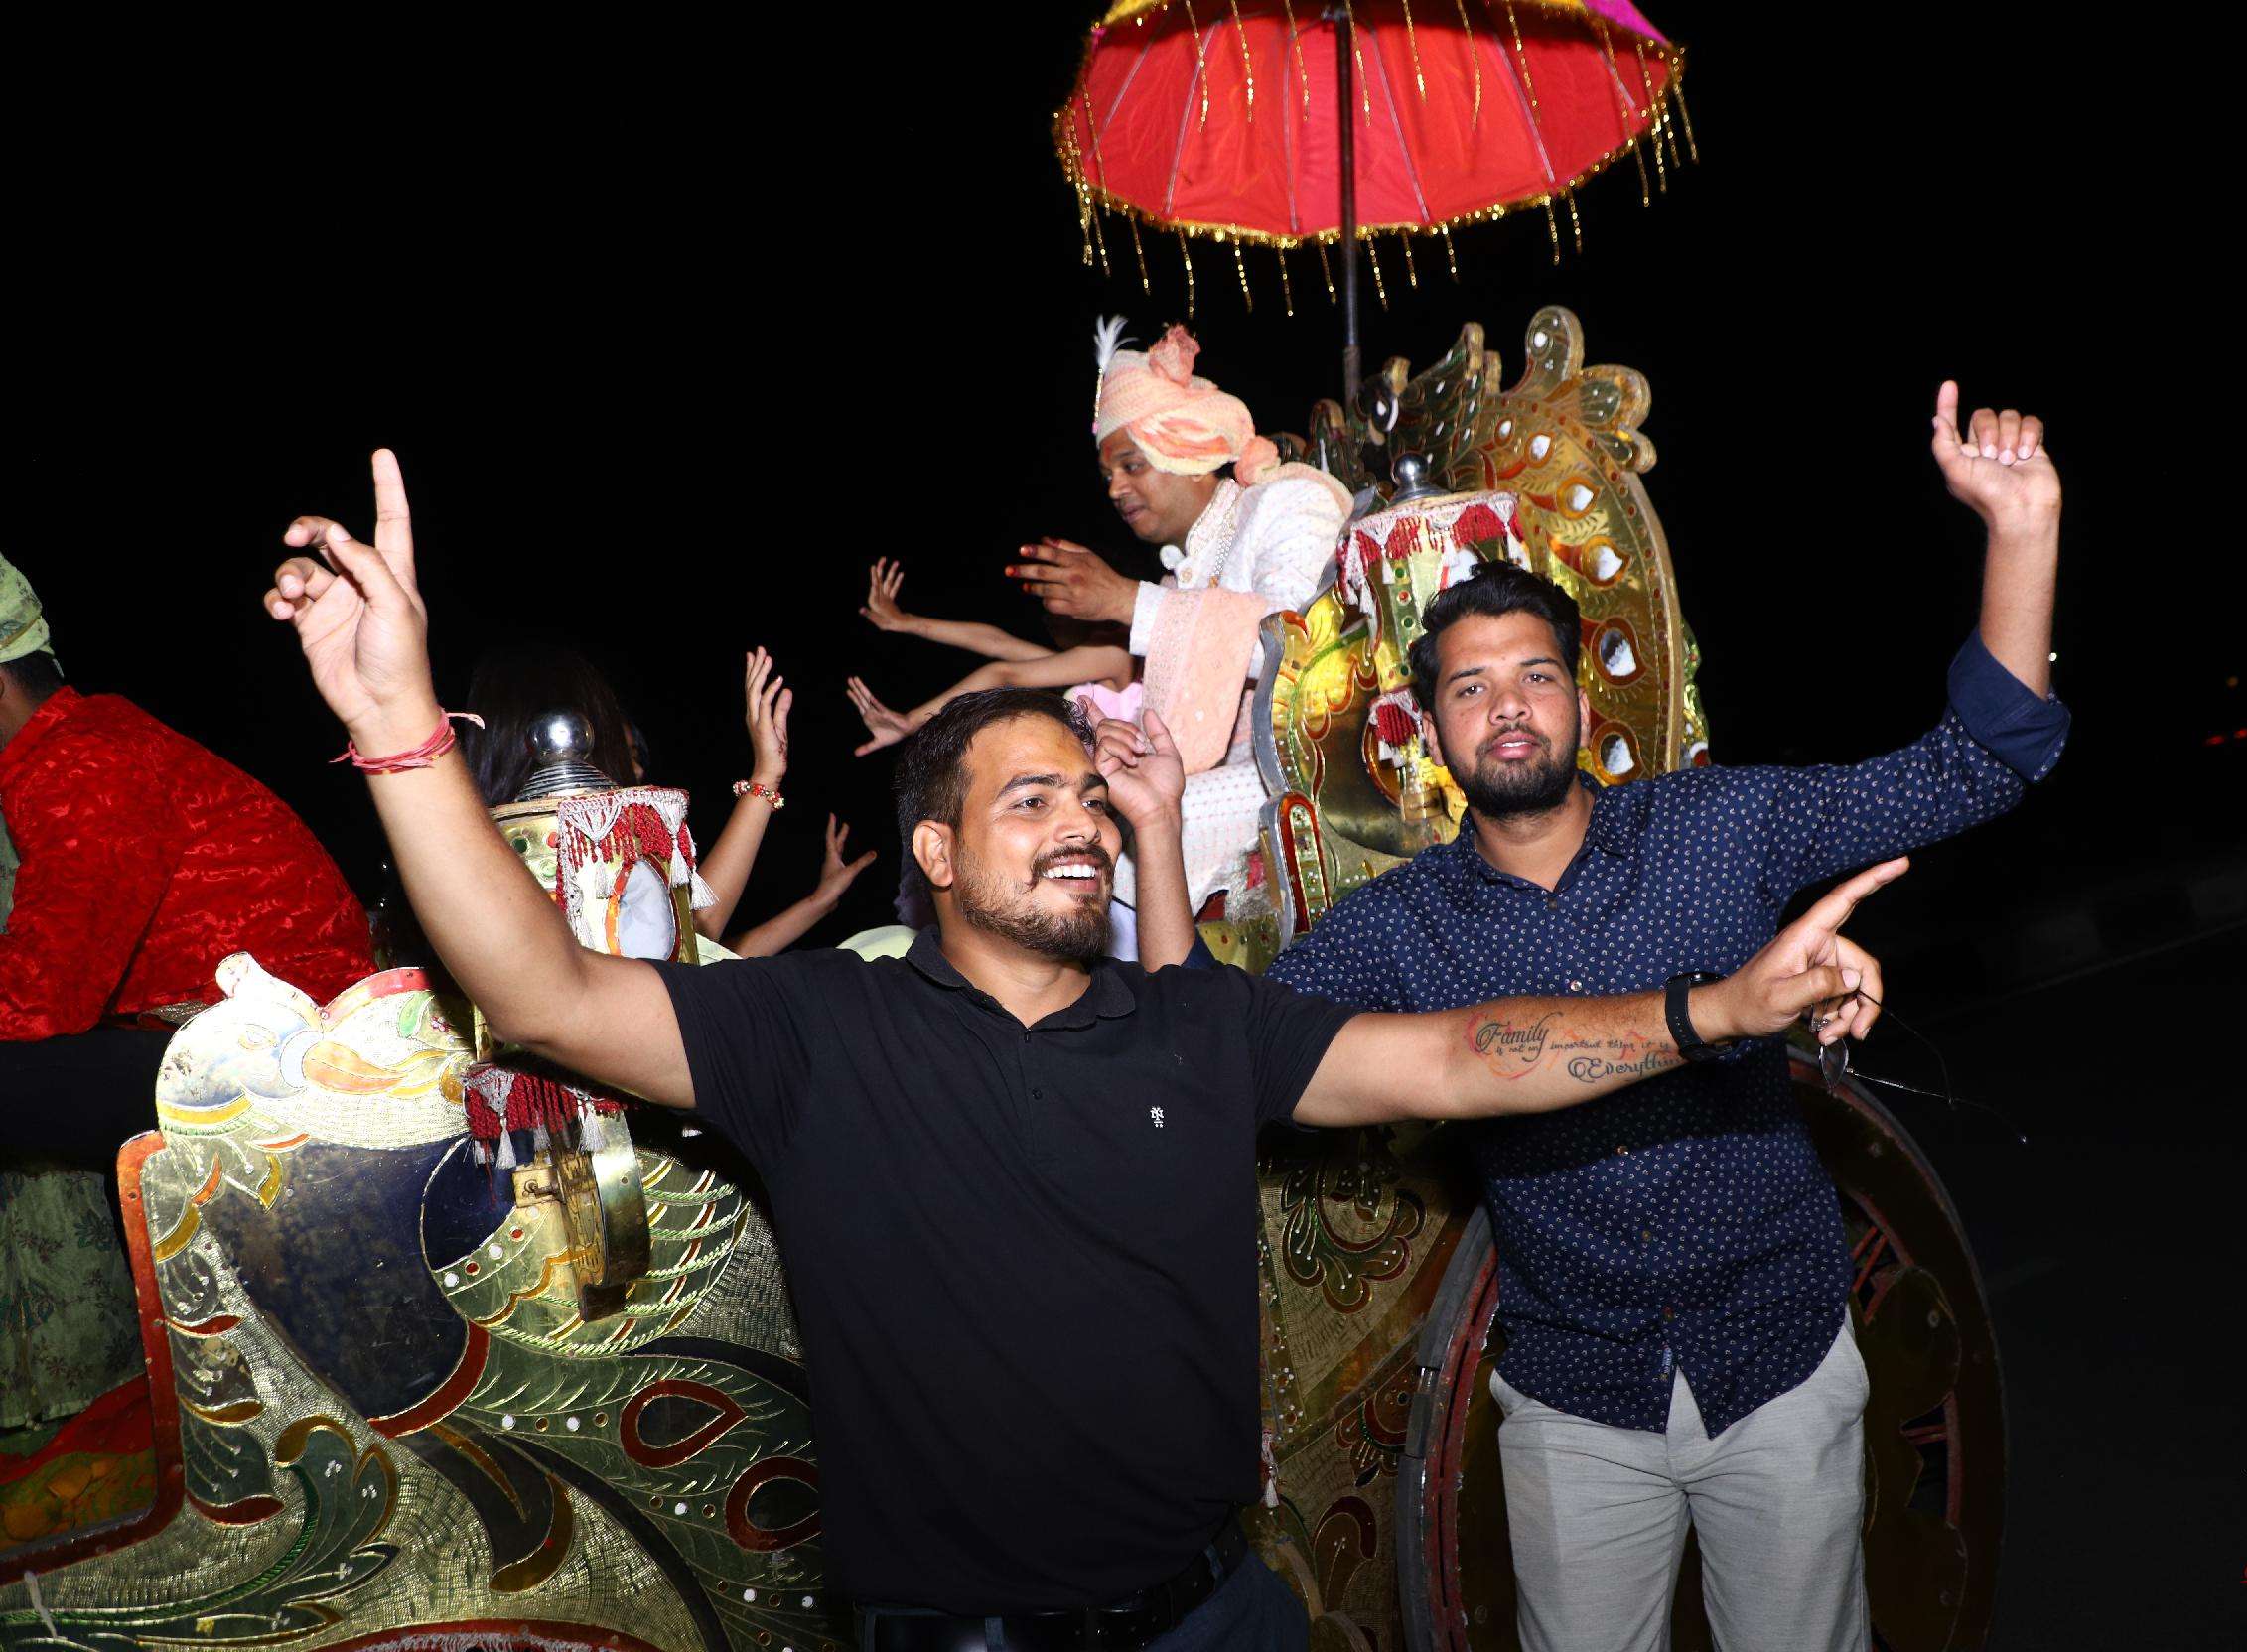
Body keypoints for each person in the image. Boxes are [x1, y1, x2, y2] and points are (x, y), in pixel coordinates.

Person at [259, 450, 1898, 1649]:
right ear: (938, 856)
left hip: (1224, 1616)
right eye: (1026, 796)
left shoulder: (1195, 1022)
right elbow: (548, 995)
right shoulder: (820, 1030)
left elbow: (1469, 1057)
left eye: (1089, 796)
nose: (1074, 823)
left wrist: (1710, 1013)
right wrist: (400, 727)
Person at [1258, 385, 2070, 1651]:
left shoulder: (1717, 824)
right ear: (1431, 732)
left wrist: (2022, 531)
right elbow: (1225, 1042)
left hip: (1780, 1363)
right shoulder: (1401, 927)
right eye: (1472, 687)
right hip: (1575, 1402)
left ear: (1581, 702)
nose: (1510, 704)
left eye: (1536, 674)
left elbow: (1975, 764)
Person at [1, 553, 373, 1155]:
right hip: (250, 1040)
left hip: (288, 1059)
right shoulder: (87, 738)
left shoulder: (79, 760)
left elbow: (42, 997)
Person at [1004, 320, 1352, 917]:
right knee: (1072, 814)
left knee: (1120, 826)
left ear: (1186, 450)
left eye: (1131, 466)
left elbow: (1298, 639)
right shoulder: (1183, 573)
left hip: (1307, 767)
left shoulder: (1288, 500)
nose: (1115, 489)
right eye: (1108, 476)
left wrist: (1127, 602)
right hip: (1239, 773)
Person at [465, 643, 870, 958]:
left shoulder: (466, 864)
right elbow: (692, 940)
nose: (636, 772)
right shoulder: (574, 850)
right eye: (622, 748)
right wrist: (764, 778)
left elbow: (700, 948)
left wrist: (818, 902)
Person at [846, 555, 1137, 756]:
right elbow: (997, 642)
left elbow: (1003, 672)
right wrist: (905, 622)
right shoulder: (1089, 666)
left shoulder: (1110, 653)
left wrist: (910, 721)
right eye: (1046, 609)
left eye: (1058, 606)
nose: (1049, 617)